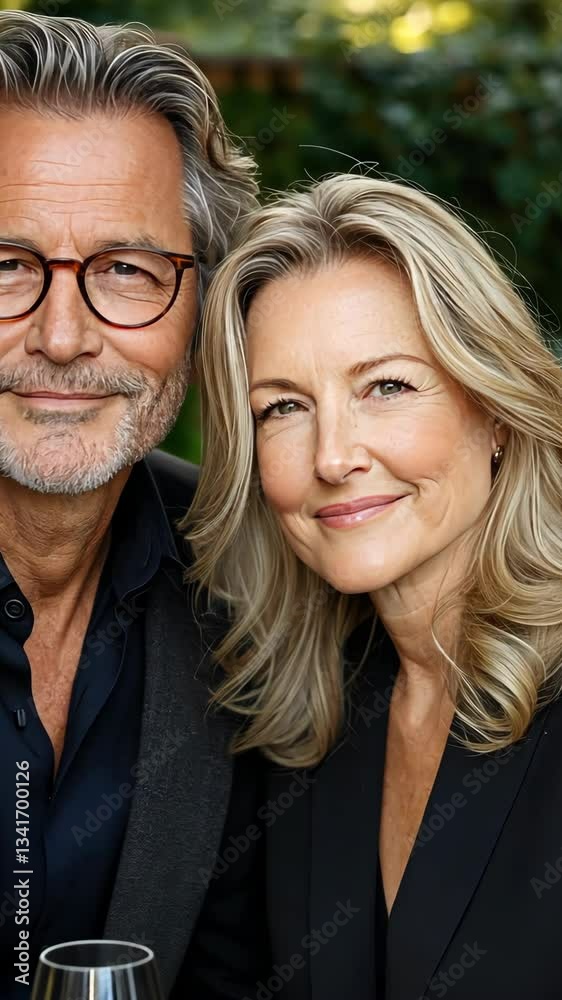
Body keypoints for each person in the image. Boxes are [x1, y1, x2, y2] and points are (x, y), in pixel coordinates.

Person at [186, 174, 562, 999]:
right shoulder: (299, 722)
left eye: (385, 387)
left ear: (495, 410)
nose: (332, 456)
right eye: (283, 408)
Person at [0, 11, 266, 999]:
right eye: (6, 265)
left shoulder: (261, 585)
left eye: (125, 270)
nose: (63, 337)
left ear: (202, 308)